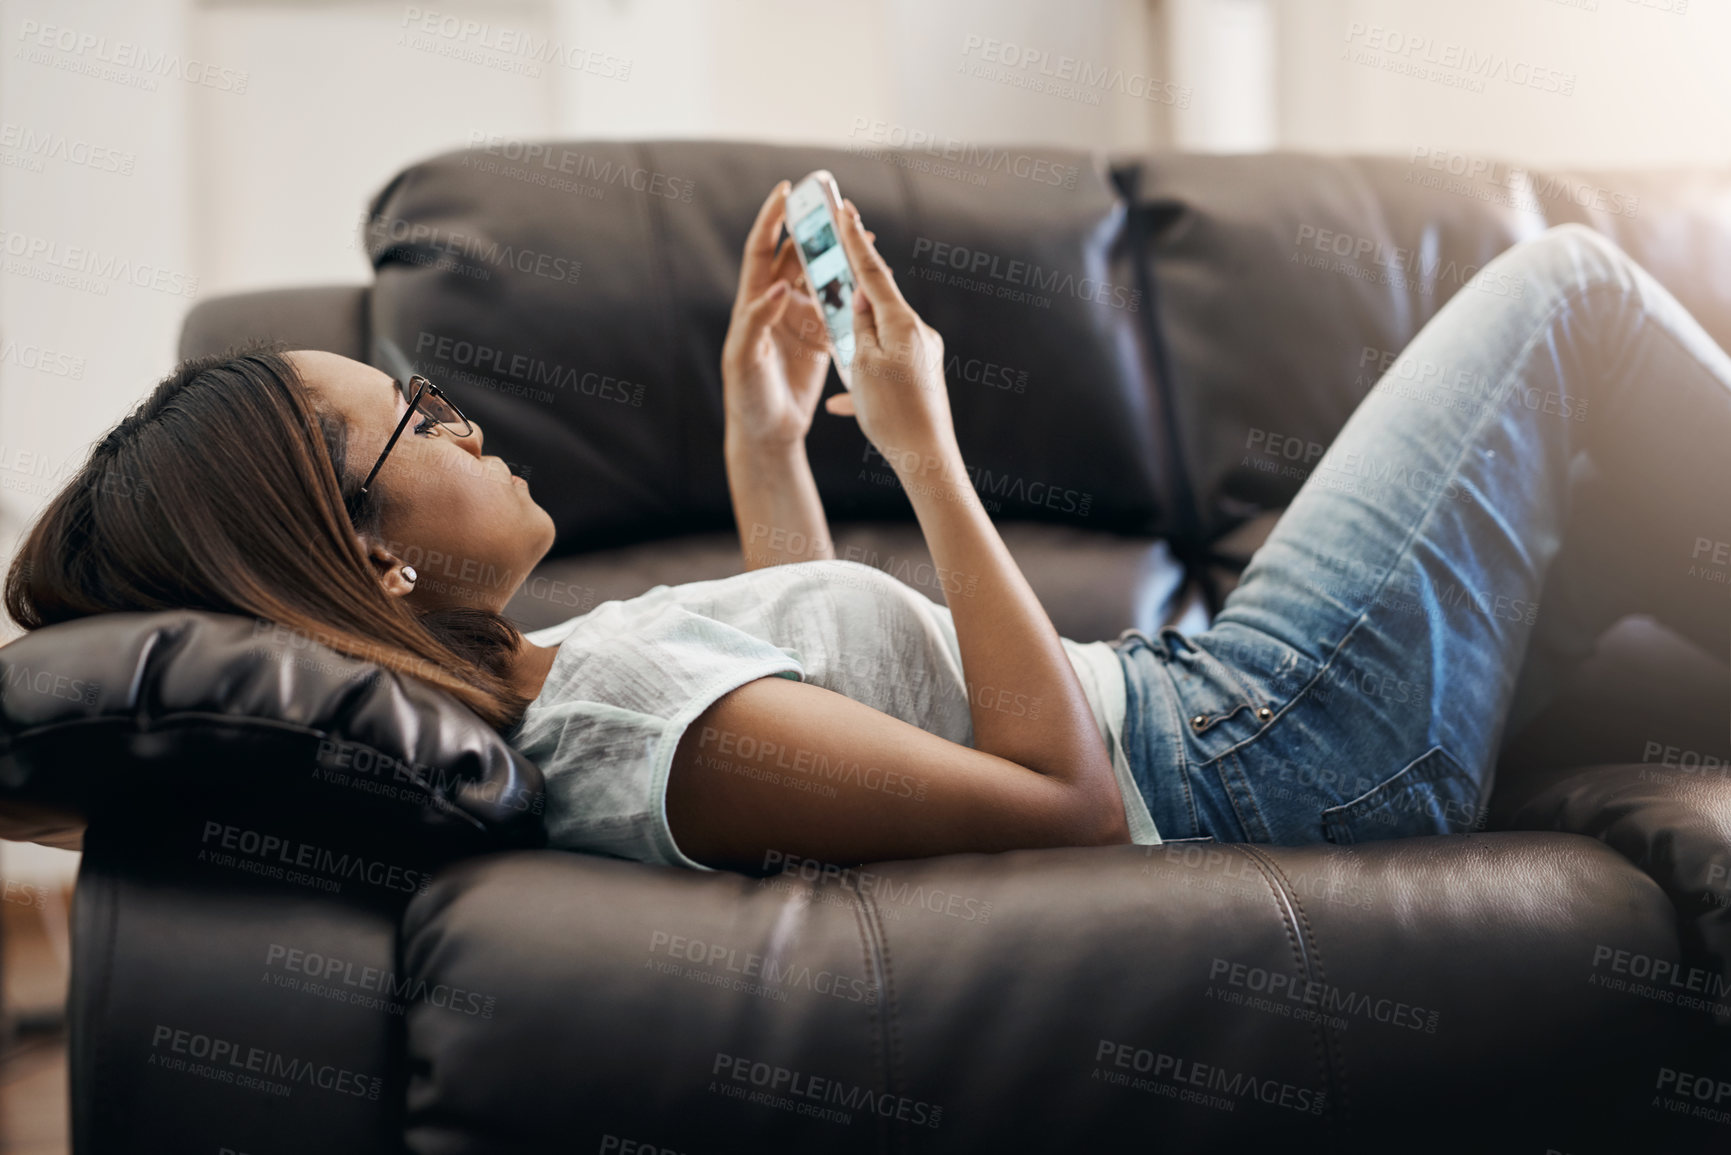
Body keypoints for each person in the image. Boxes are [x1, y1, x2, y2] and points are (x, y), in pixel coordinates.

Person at [6, 183, 1727, 874]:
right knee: (1568, 283)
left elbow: (832, 687)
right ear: (364, 553)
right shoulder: (608, 725)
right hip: (1258, 751)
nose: (461, 413)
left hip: (1226, 710)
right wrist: (923, 448)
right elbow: (1062, 802)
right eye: (415, 420)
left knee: (1613, 534)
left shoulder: (572, 680)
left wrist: (767, 440)